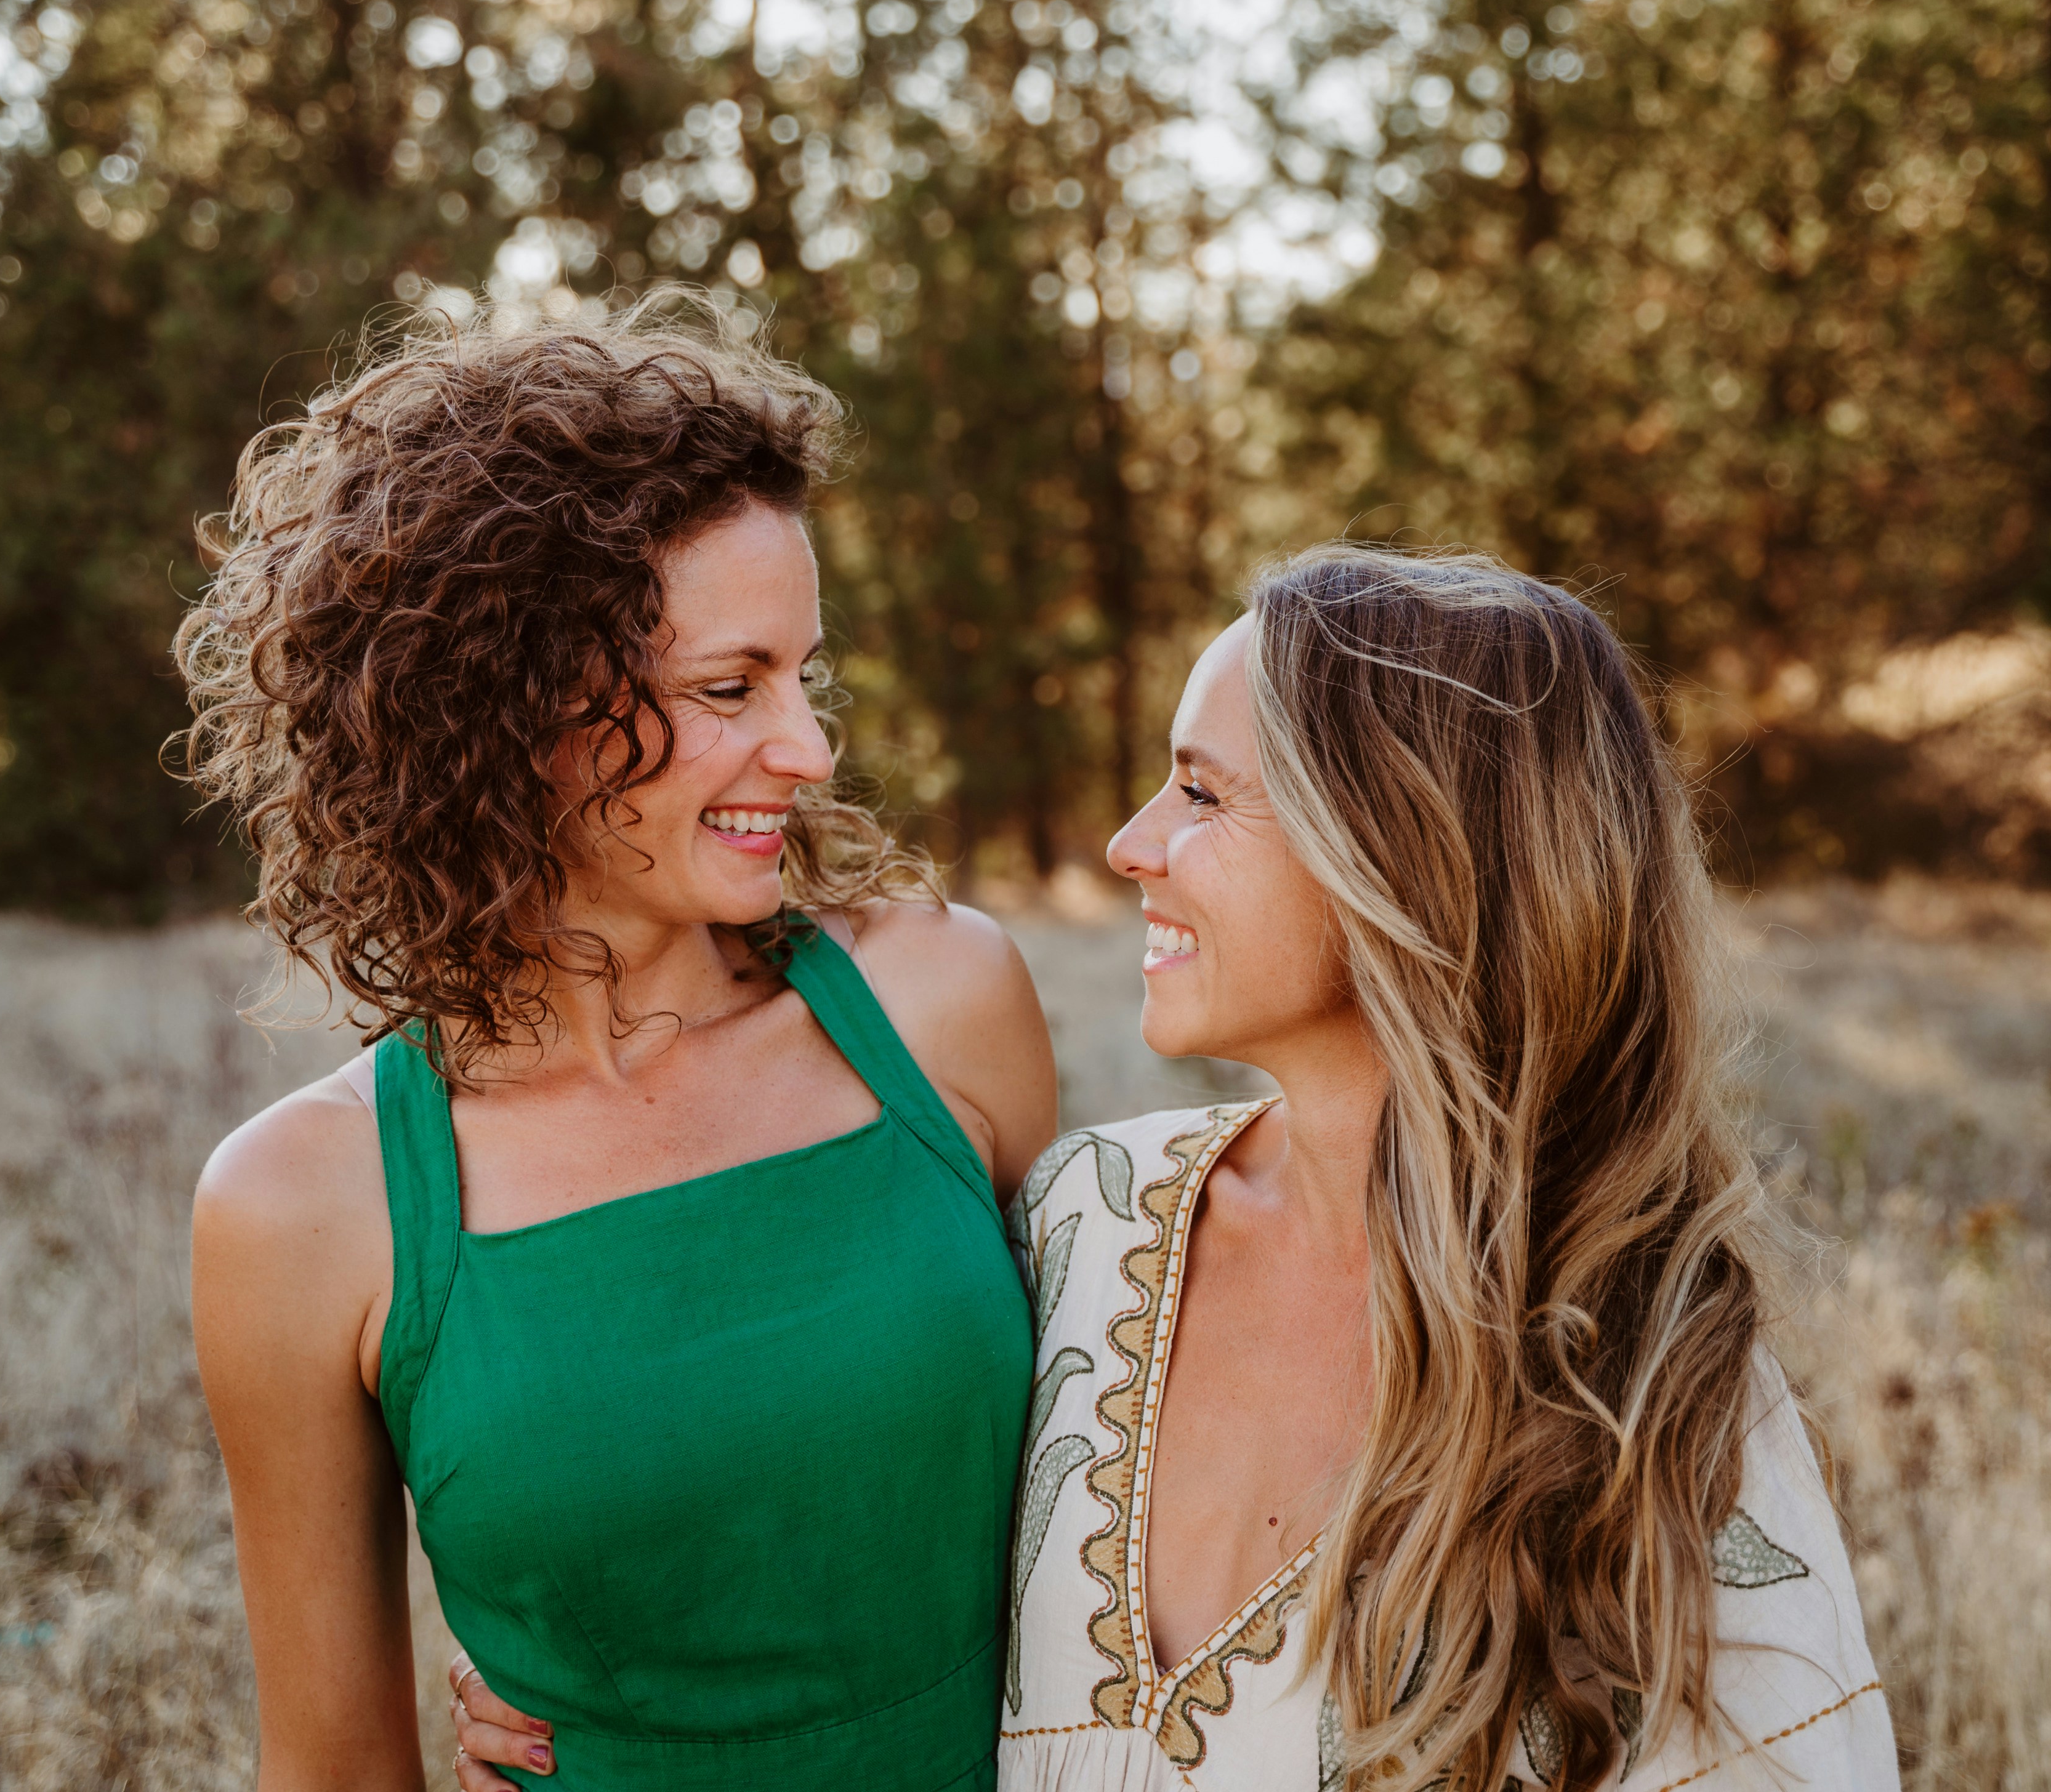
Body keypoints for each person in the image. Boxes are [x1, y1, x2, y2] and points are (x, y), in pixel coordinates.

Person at [459, 546, 1896, 1790]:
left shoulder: (1656, 1390)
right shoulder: (1092, 1223)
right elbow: (839, 1506)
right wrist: (600, 1668)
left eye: (1202, 796)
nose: (1130, 844)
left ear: (1403, 859)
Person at [178, 296, 1054, 1792]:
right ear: (511, 707)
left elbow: (1136, 1470)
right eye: (732, 688)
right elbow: (330, 1767)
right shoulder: (302, 1209)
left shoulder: (943, 1005)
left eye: (804, 673)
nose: (811, 746)